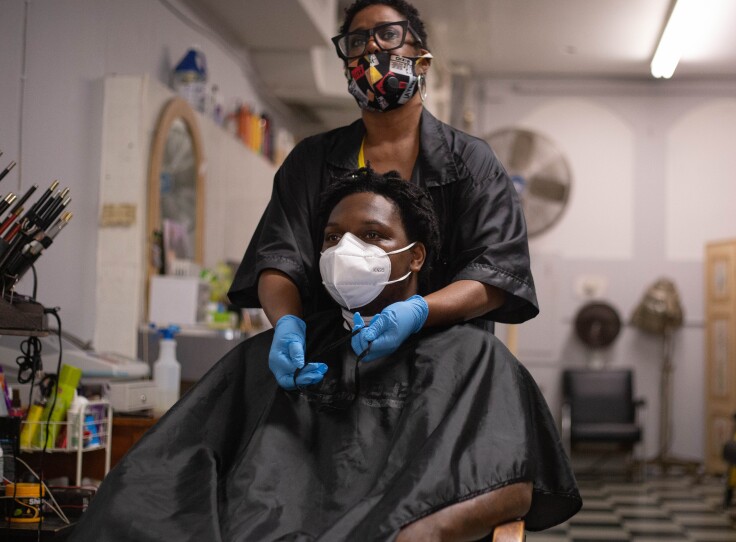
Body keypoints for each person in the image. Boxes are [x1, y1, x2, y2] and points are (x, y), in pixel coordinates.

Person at [69, 168, 580, 541]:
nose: (346, 250)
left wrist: (418, 535)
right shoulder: (278, 354)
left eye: (373, 235)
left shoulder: (471, 358)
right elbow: (168, 472)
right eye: (333, 238)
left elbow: (515, 484)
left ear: (416, 255)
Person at [228, 0, 537, 390]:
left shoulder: (470, 163)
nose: (372, 48)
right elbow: (279, 257)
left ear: (422, 62)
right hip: (333, 362)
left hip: (445, 370)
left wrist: (420, 312)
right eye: (357, 40)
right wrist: (288, 324)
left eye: (389, 34)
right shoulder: (311, 161)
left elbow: (497, 271)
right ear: (346, 69)